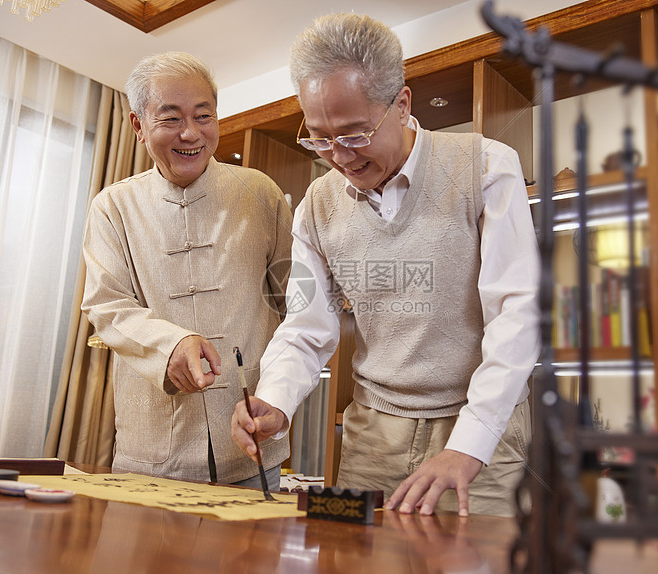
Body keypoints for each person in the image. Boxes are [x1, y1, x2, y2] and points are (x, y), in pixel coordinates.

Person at [231, 14, 540, 516]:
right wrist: (274, 401)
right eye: (319, 139)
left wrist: (469, 444)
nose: (338, 157)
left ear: (402, 104)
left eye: (354, 135)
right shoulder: (317, 205)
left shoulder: (485, 166)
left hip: (481, 431)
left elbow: (515, 314)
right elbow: (306, 325)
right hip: (371, 438)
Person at [82, 51, 292, 489]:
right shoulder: (113, 207)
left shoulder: (261, 194)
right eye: (171, 118)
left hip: (252, 446)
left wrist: (283, 393)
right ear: (138, 126)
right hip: (152, 452)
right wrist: (170, 345)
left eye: (203, 115)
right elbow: (106, 305)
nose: (190, 133)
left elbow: (297, 302)